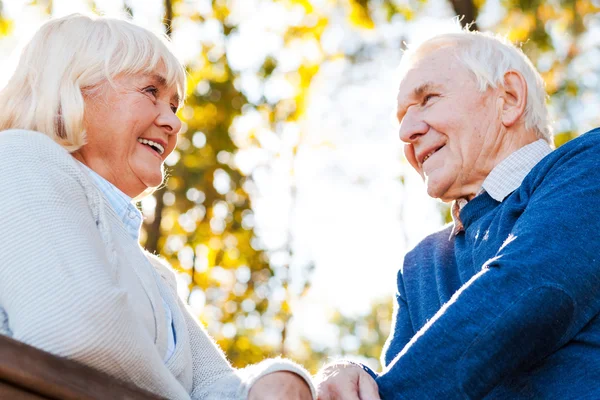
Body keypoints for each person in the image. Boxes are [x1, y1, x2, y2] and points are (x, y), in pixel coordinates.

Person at [0, 14, 314, 400]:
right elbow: (76, 332)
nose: (173, 123)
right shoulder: (19, 158)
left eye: (175, 106)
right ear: (72, 89)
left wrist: (276, 381)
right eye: (151, 91)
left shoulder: (155, 274)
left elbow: (215, 383)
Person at [316, 29, 600, 399]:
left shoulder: (588, 165)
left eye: (428, 99)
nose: (405, 131)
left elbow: (527, 291)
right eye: (401, 118)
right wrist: (354, 378)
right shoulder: (420, 266)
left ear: (510, 98)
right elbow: (403, 377)